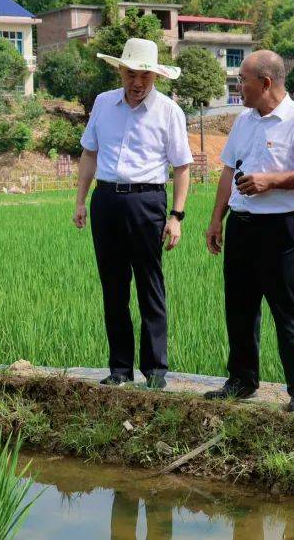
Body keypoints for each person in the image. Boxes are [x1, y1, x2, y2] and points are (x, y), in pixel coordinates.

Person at [204, 50, 294, 413]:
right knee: (240, 308)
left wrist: (270, 181)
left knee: (290, 310)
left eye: (242, 79)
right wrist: (217, 219)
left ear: (265, 82)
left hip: (280, 231)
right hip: (242, 228)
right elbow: (228, 171)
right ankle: (242, 380)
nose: (237, 85)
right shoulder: (243, 121)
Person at [73, 37, 193, 390]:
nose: (137, 82)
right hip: (106, 199)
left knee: (149, 285)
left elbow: (182, 167)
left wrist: (176, 216)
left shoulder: (169, 111)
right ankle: (120, 369)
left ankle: (155, 370)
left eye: (144, 75)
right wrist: (80, 201)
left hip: (147, 202)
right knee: (113, 287)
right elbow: (89, 154)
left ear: (155, 76)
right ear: (120, 71)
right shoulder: (103, 103)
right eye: (130, 73)